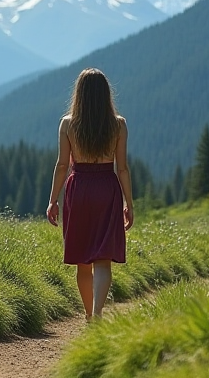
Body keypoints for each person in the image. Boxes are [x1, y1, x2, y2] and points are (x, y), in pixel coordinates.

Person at [45, 68, 134, 320]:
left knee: (83, 261)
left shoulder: (67, 124)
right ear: (106, 94)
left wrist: (53, 200)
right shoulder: (119, 125)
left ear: (79, 94)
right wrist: (129, 203)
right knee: (102, 260)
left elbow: (62, 165)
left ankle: (88, 316)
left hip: (79, 188)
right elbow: (123, 168)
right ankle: (97, 312)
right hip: (107, 188)